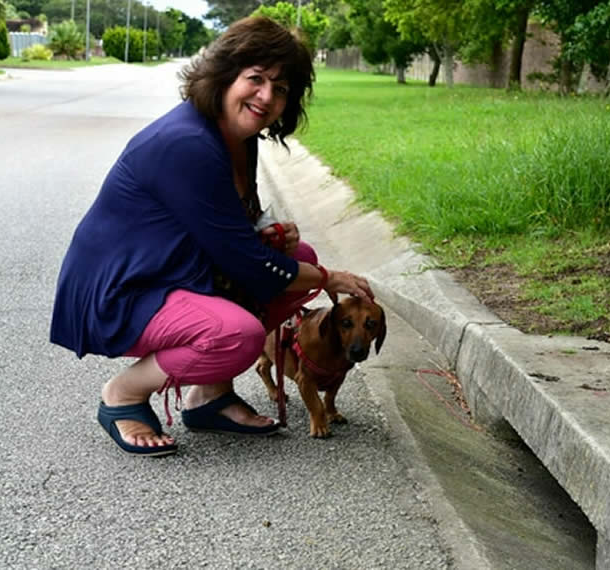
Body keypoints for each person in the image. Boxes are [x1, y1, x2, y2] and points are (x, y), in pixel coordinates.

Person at [50, 16, 373, 457]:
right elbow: (248, 265)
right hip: (123, 289)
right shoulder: (187, 142)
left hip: (173, 267)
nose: (266, 96)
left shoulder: (239, 136)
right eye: (255, 79)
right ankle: (123, 394)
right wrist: (328, 277)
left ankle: (209, 396)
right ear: (224, 75)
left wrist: (268, 232)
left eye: (280, 88)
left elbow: (228, 227)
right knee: (237, 334)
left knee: (300, 256)